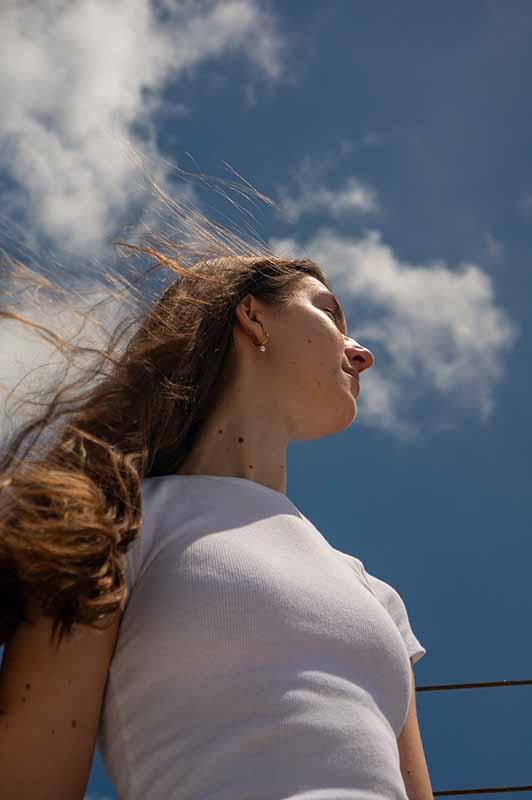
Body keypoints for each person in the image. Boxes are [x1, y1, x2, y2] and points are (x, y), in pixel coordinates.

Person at [0, 178, 433, 799]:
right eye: (330, 315)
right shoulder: (113, 522)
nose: (360, 353)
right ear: (252, 314)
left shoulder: (376, 596)